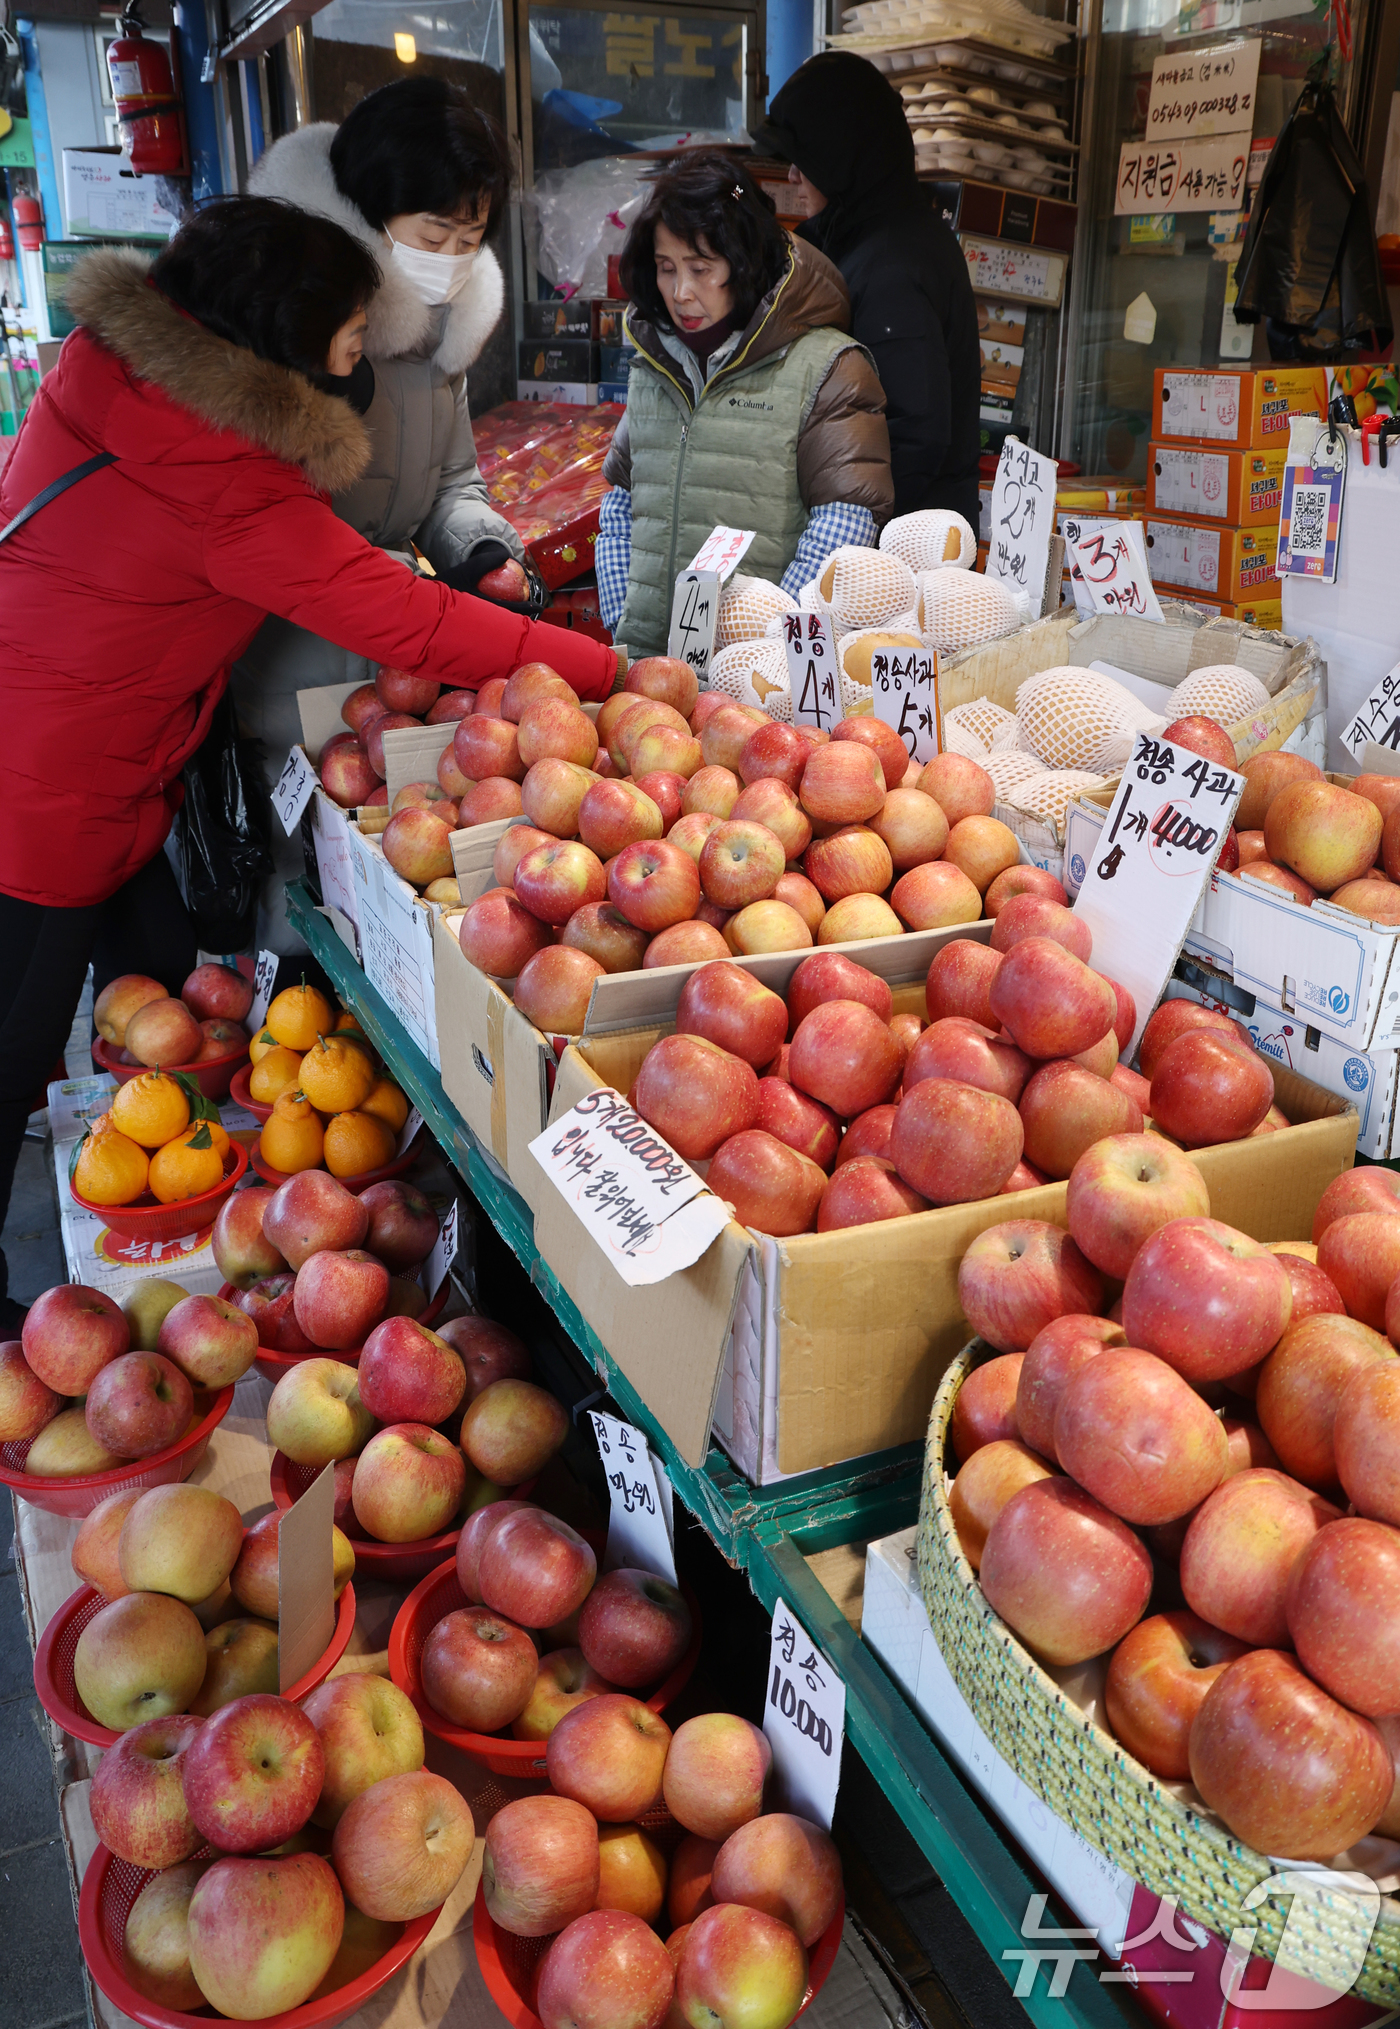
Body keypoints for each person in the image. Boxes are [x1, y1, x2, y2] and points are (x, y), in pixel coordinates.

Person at [0, 197, 618, 1325]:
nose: (363, 353)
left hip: (59, 734)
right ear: (285, 338)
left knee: (132, 996)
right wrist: (604, 668)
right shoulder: (225, 479)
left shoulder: (109, 369)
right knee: (15, 1043)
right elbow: (411, 621)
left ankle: (144, 1183)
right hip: (54, 791)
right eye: (350, 334)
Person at [238, 77, 530, 960]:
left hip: (400, 656)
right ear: (369, 211)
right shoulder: (290, 322)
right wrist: (397, 586)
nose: (451, 261)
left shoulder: (444, 339)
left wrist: (480, 545)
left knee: (387, 859)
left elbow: (452, 479)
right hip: (290, 649)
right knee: (300, 861)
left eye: (471, 241)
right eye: (434, 237)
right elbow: (268, 519)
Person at [595, 150, 892, 655]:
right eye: (666, 268)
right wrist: (624, 617)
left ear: (745, 261)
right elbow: (622, 502)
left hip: (759, 678)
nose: (681, 292)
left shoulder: (828, 367)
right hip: (647, 673)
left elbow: (843, 529)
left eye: (701, 268)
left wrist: (762, 647)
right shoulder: (655, 362)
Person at [755, 52, 982, 530]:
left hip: (905, 547)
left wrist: (845, 536)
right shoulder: (868, 236)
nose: (792, 175)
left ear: (840, 158)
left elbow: (911, 434)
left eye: (804, 160)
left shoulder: (892, 264)